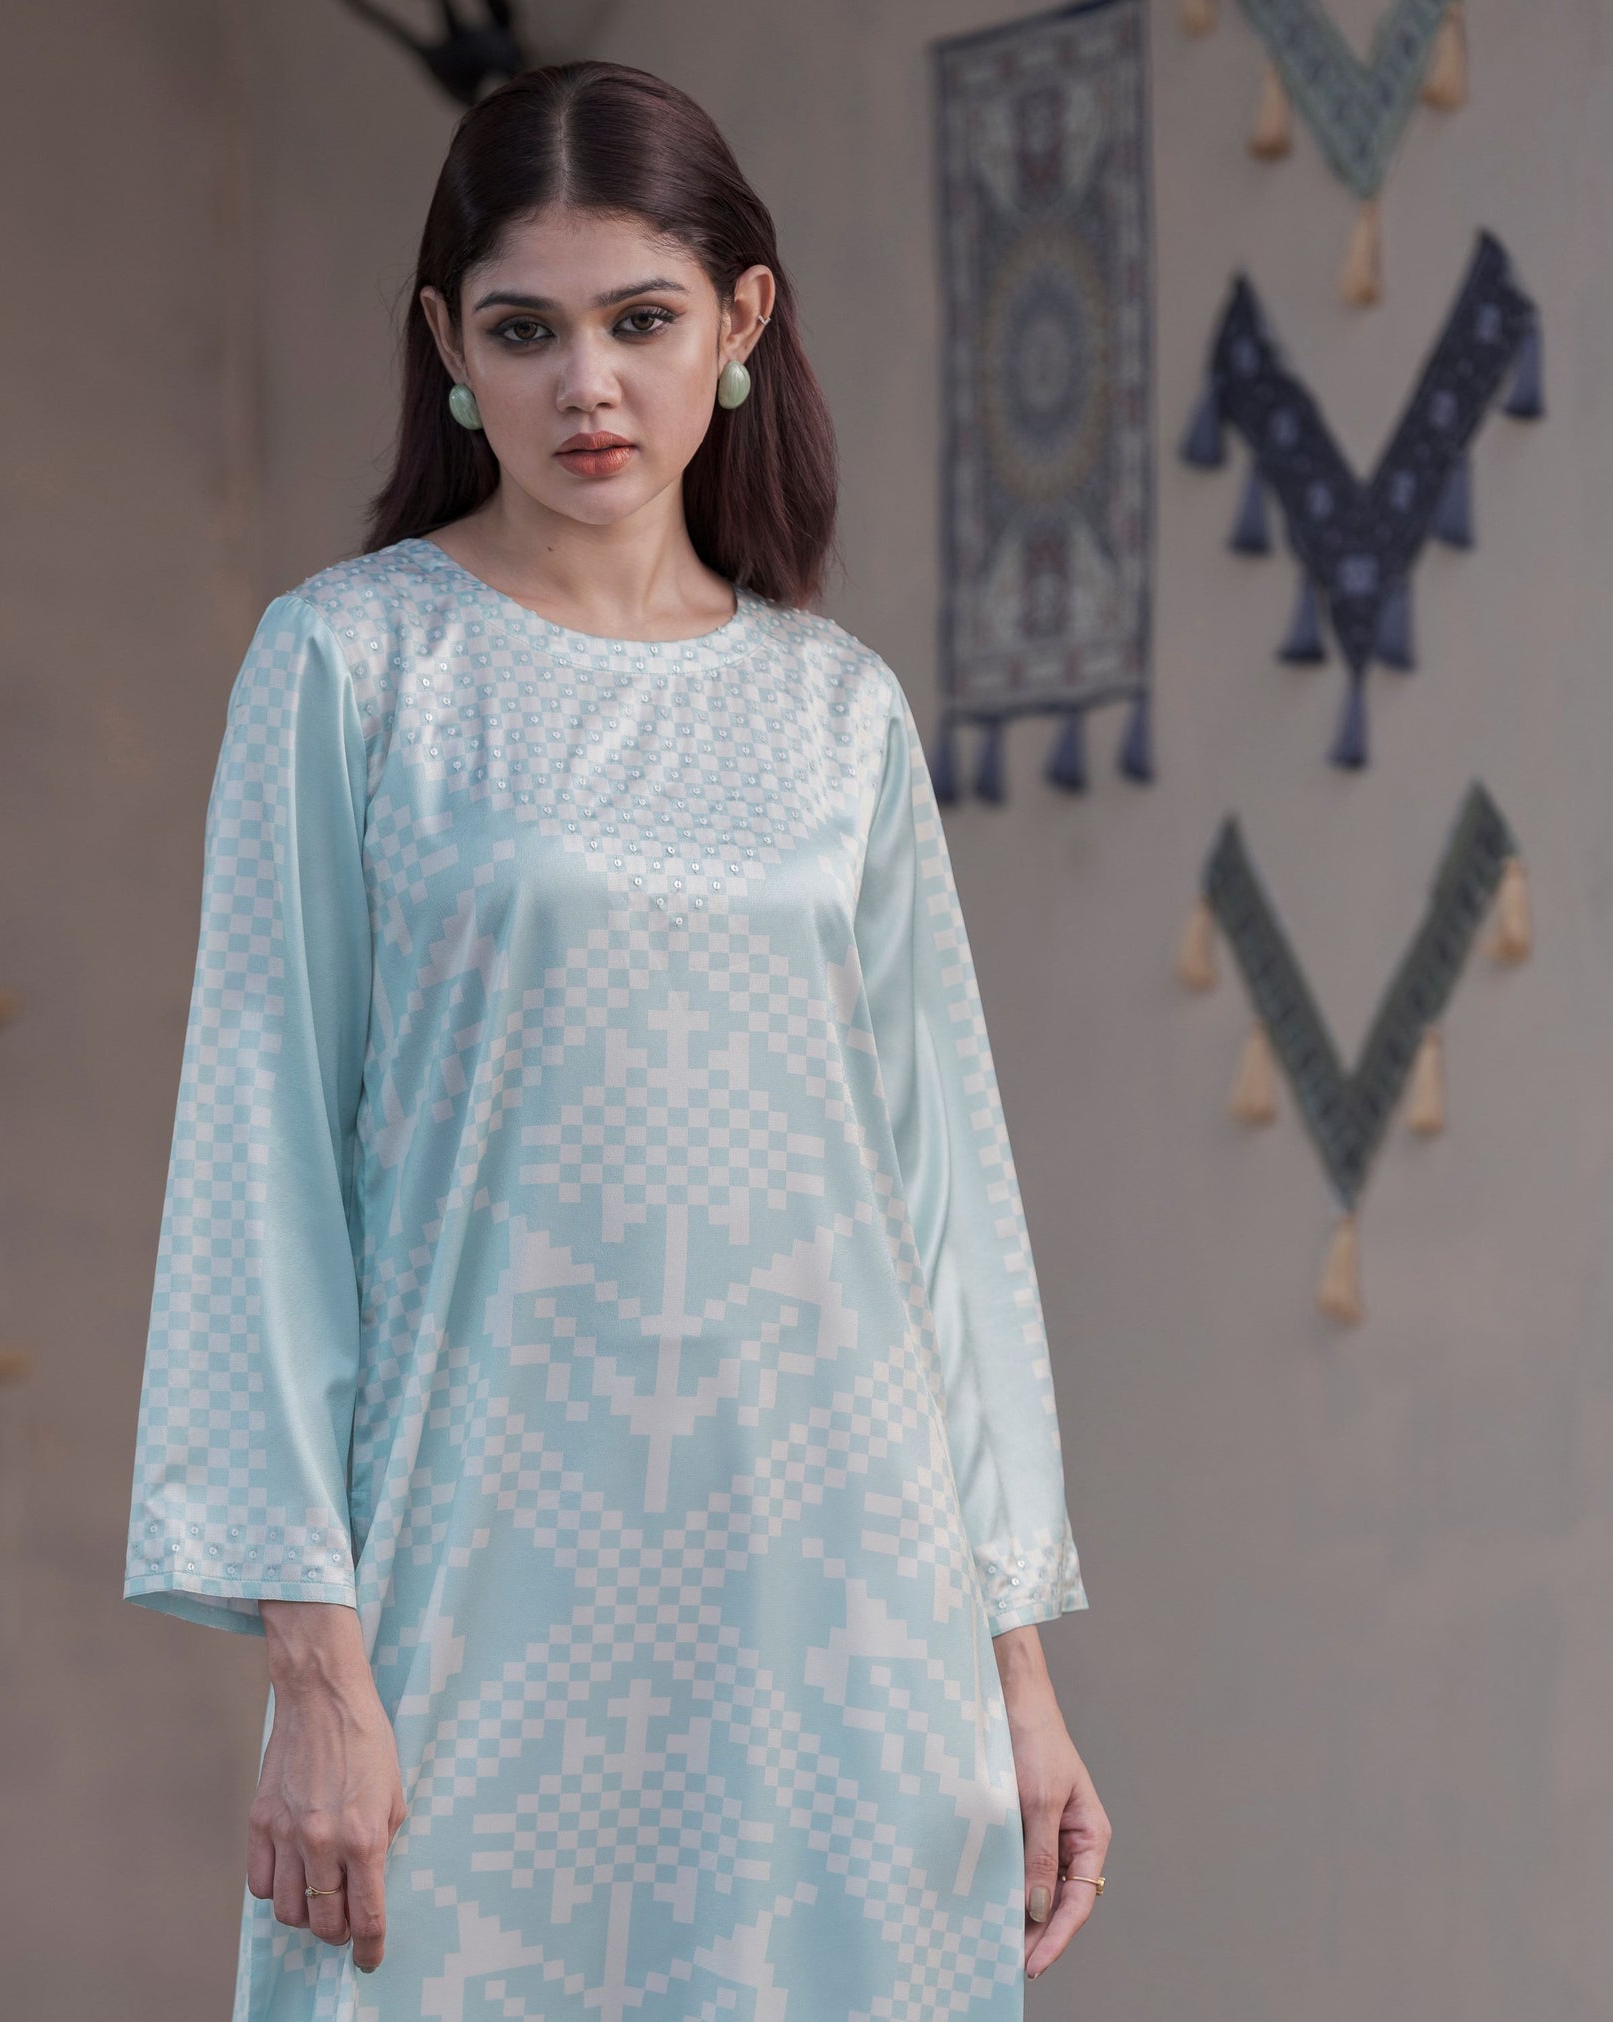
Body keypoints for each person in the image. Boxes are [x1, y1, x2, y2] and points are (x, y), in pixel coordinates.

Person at [124, 57, 1109, 2021]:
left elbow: (941, 1206)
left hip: (843, 1612)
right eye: (526, 330)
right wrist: (312, 1665)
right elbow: (256, 1161)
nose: (588, 385)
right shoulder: (352, 667)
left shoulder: (836, 716)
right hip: (478, 1580)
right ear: (447, 346)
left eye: (641, 320)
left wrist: (1012, 1668)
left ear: (739, 323)